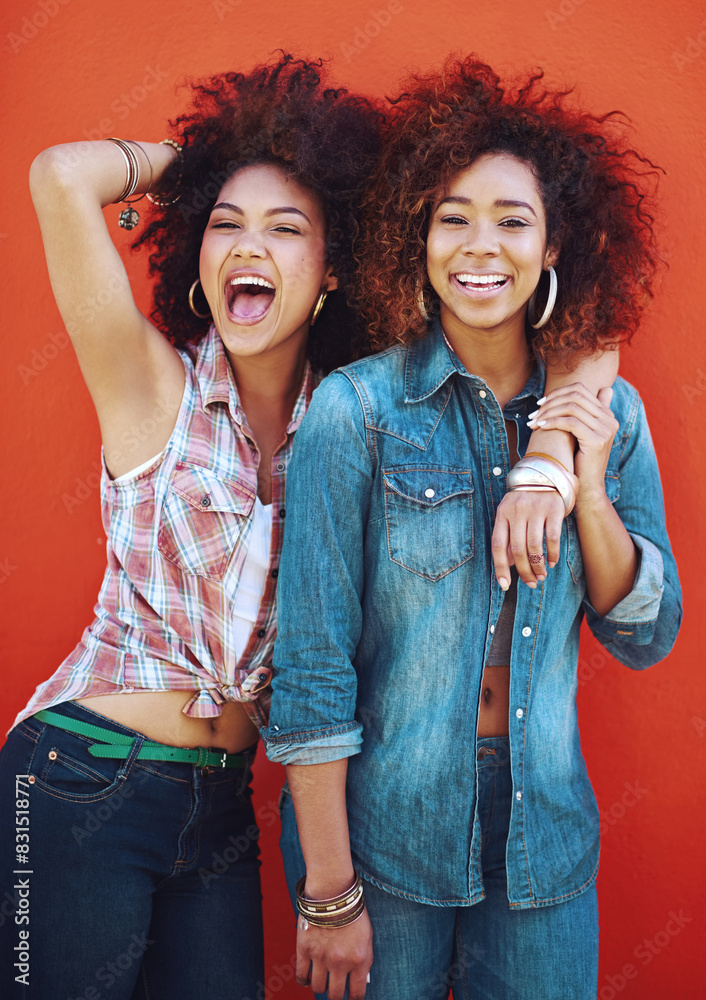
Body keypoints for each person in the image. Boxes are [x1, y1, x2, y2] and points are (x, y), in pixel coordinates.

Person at [263, 57, 682, 1000]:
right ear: (415, 237)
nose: (479, 246)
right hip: (383, 837)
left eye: (511, 220)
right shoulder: (357, 410)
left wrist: (582, 481)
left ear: (553, 245)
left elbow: (647, 634)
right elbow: (312, 667)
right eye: (453, 216)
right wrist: (329, 892)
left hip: (546, 846)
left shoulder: (607, 414)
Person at [0, 55, 382, 1000]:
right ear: (202, 266)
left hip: (222, 814)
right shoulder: (150, 385)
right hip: (80, 778)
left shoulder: (343, 428)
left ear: (331, 277)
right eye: (226, 225)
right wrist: (204, 161)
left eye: (286, 230)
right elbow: (59, 176)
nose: (249, 245)